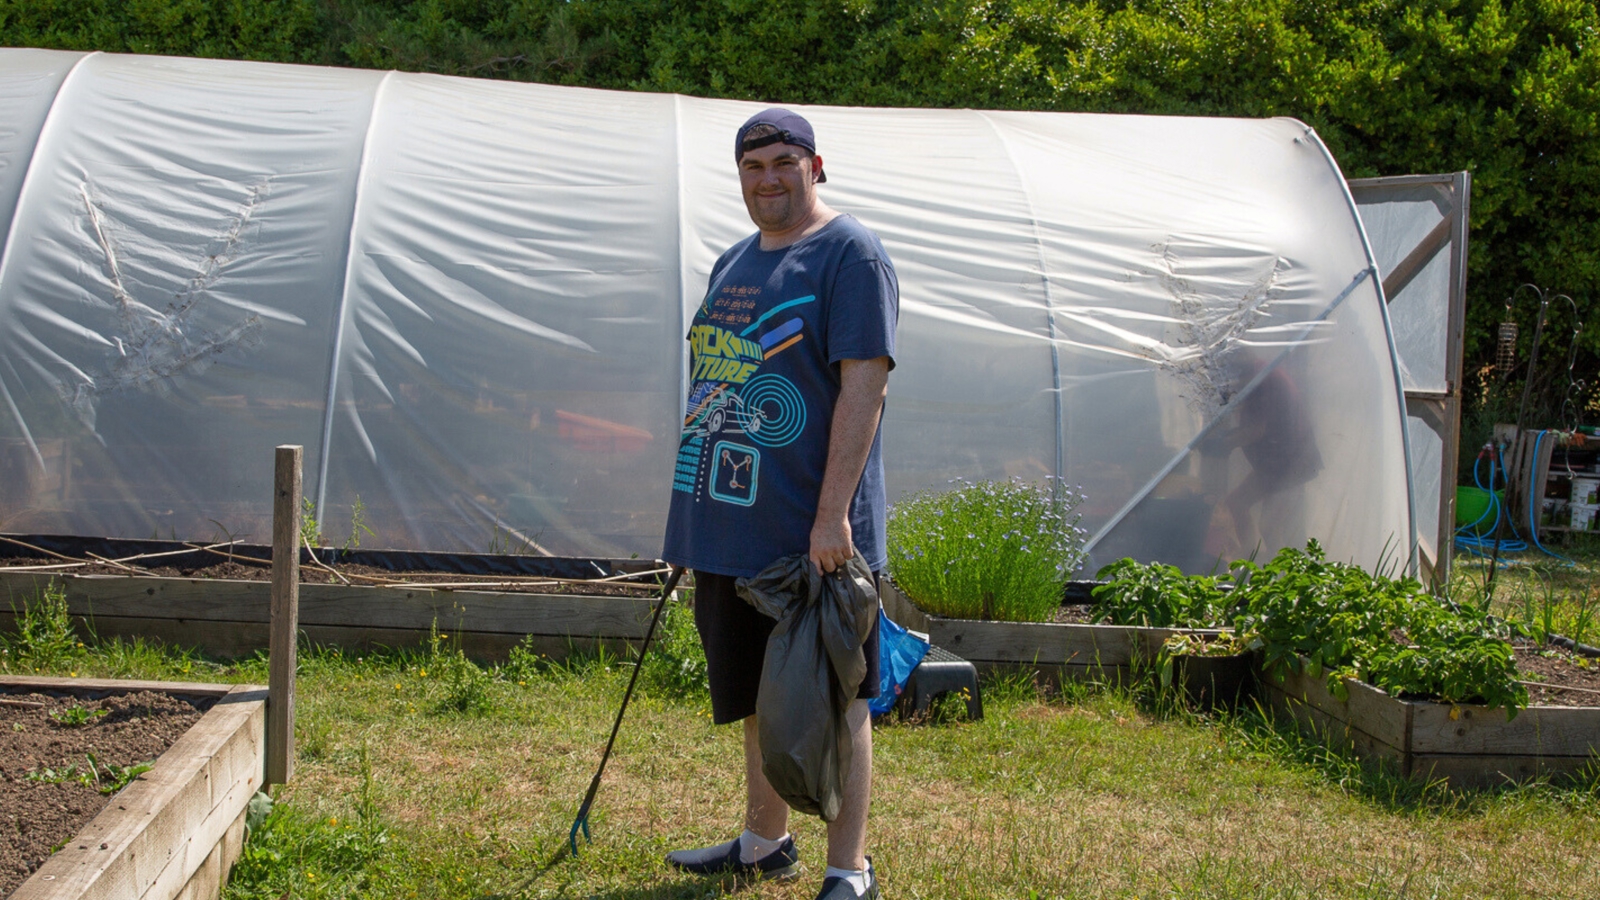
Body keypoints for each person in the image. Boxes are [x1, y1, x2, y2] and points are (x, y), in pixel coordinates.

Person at [661, 108, 898, 900]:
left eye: (783, 162)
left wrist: (832, 517)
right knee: (756, 695)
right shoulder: (733, 259)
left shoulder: (849, 254)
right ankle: (765, 844)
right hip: (727, 523)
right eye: (753, 166)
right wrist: (690, 512)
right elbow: (712, 385)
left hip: (810, 531)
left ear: (815, 166)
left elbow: (864, 388)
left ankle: (849, 868)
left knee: (835, 694)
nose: (768, 178)